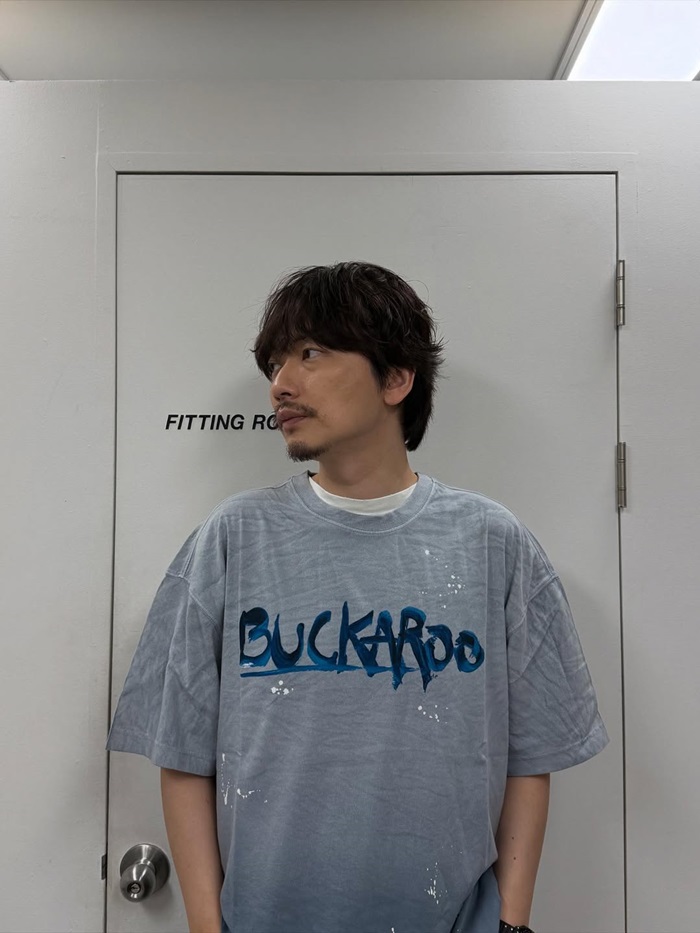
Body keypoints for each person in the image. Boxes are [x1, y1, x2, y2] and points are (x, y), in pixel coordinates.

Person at [106, 261, 610, 933]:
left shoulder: (494, 543)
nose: (281, 383)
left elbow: (531, 755)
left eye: (311, 353)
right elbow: (182, 754)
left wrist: (511, 922)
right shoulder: (232, 538)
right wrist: (205, 924)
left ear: (397, 377)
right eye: (275, 363)